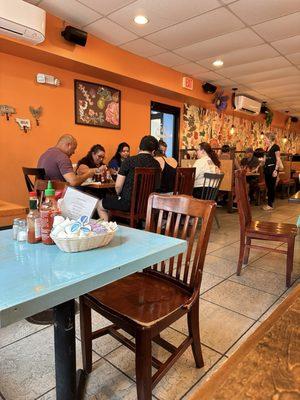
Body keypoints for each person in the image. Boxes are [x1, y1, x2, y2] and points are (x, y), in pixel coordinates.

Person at [97, 135, 160, 220]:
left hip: (128, 204)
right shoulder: (156, 164)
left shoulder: (129, 161)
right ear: (153, 151)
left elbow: (118, 186)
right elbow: (157, 187)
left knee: (100, 205)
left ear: (139, 147)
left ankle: (108, 230)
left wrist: (119, 195)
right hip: (149, 204)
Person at [37, 135, 103, 186]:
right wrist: (89, 174)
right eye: (74, 148)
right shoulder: (62, 157)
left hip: (43, 195)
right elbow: (73, 182)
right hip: (58, 196)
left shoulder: (45, 154)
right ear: (69, 145)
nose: (73, 152)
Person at [262, 132, 283, 211]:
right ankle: (270, 203)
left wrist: (276, 170)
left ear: (270, 138)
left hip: (273, 169)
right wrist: (261, 161)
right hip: (267, 169)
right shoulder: (267, 148)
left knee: (271, 187)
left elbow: (278, 159)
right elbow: (266, 159)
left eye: (265, 138)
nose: (264, 140)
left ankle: (270, 205)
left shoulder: (276, 147)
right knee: (268, 186)